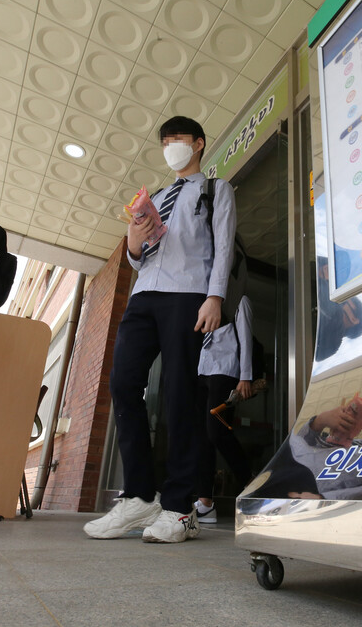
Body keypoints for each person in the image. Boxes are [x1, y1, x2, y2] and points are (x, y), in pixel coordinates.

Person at [84, 116, 236, 544]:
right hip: (143, 296)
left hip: (188, 295)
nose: (171, 147)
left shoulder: (214, 189)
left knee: (180, 394)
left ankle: (179, 507)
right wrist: (134, 237)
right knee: (123, 385)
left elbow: (223, 245)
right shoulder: (158, 196)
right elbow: (136, 259)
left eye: (179, 140)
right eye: (166, 142)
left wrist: (215, 296)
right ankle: (138, 496)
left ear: (199, 144)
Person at [193, 295, 256, 524]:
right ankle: (205, 503)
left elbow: (246, 337)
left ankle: (251, 482)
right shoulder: (204, 301)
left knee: (216, 432)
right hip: (203, 369)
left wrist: (246, 376)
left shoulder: (240, 300)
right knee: (203, 437)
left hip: (226, 369)